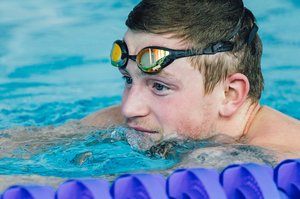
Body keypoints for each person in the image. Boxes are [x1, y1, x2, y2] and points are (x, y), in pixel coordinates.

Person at [82, 0, 300, 161]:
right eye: (128, 80)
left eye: (159, 86)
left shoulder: (286, 155)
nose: (129, 109)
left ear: (229, 94)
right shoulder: (115, 122)